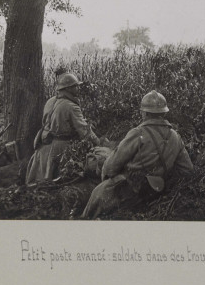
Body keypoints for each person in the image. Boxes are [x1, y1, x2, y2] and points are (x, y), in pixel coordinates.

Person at [82, 90, 193, 219]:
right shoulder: (175, 136)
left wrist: (106, 177)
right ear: (164, 113)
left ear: (144, 113)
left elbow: (111, 166)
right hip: (157, 190)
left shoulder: (137, 133)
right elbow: (188, 170)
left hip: (131, 190)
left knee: (97, 195)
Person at [25, 73, 99, 184]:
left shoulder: (50, 101)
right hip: (60, 150)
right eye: (75, 86)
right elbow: (84, 131)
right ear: (68, 88)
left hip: (43, 149)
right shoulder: (71, 106)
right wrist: (98, 142)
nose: (77, 88)